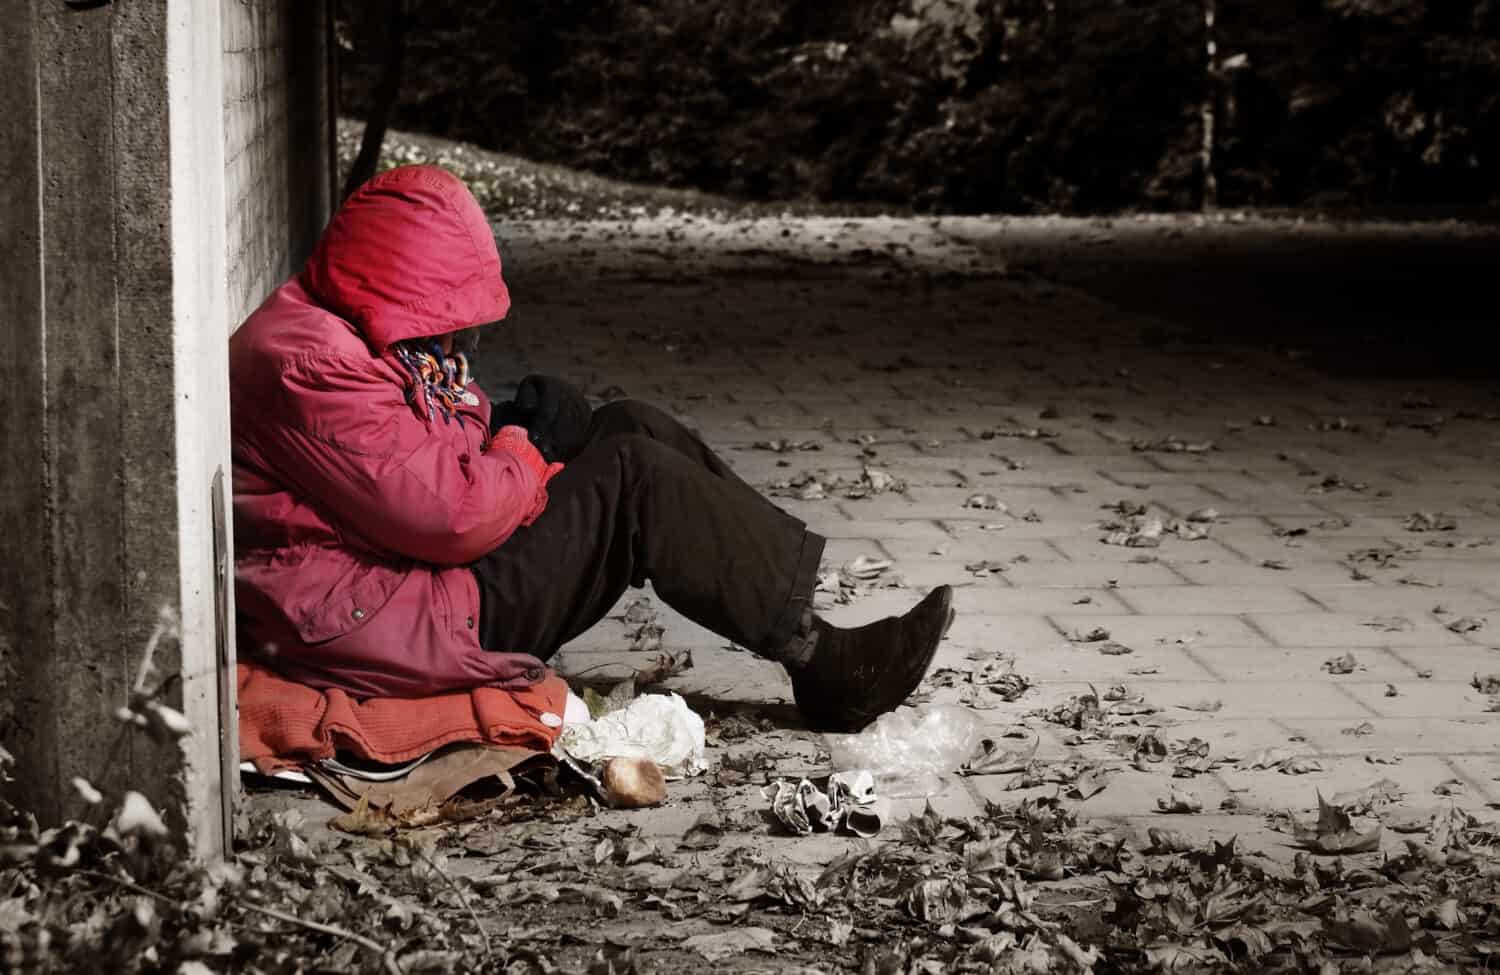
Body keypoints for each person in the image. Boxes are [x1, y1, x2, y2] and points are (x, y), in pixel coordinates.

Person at [229, 164, 952, 733]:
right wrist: (525, 442)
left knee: (625, 424)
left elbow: (423, 433)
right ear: (405, 290)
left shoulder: (350, 326)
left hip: (407, 578)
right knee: (632, 478)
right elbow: (450, 517)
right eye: (448, 323)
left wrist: (498, 419)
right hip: (399, 615)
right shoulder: (311, 365)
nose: (458, 344)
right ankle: (824, 664)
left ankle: (808, 636)